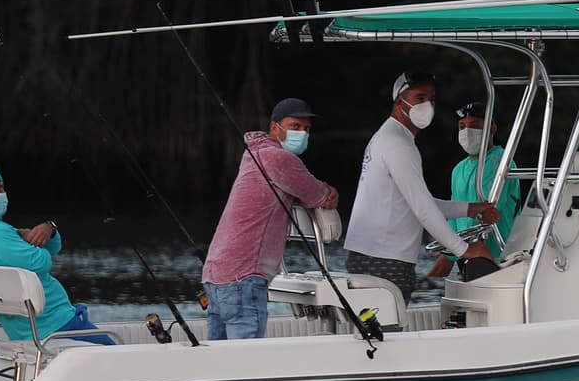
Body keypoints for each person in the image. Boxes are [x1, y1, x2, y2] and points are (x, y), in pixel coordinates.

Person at [343, 71, 498, 303]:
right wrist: (464, 250)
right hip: (385, 260)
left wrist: (469, 209)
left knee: (376, 323)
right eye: (420, 97)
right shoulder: (398, 145)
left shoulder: (387, 138)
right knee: (384, 325)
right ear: (399, 102)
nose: (427, 105)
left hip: (371, 255)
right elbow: (422, 208)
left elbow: (414, 201)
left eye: (431, 99)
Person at [201, 98, 340, 339]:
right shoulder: (280, 159)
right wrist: (331, 191)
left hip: (216, 274)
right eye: (295, 126)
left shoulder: (253, 154)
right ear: (275, 127)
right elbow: (320, 196)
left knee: (220, 356)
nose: (302, 133)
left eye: (307, 129)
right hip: (244, 276)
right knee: (248, 357)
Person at [0, 163, 114, 345]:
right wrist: (34, 241)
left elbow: (54, 248)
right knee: (117, 355)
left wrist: (50, 229)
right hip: (55, 325)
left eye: (0, 188)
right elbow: (42, 263)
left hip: (42, 325)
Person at [429, 100, 523, 278]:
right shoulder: (458, 169)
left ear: (492, 128)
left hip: (499, 258)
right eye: (462, 126)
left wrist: (451, 253)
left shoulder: (500, 162)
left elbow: (486, 213)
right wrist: (449, 250)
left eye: (474, 126)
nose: (467, 131)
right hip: (466, 255)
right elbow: (453, 216)